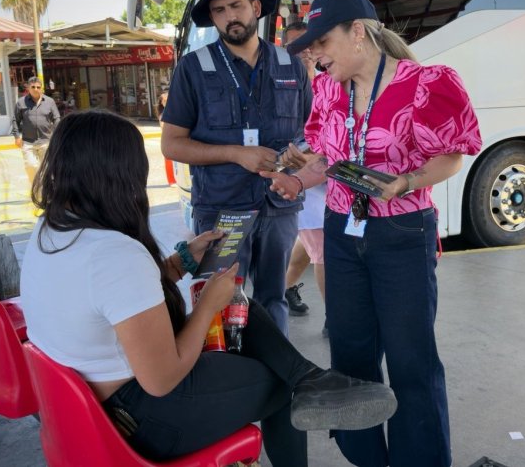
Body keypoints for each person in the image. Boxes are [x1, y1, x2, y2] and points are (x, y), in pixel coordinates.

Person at [20, 111, 397, 466]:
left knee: (242, 309)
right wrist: (206, 308)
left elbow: (109, 298)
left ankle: (311, 379)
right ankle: (302, 384)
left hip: (89, 407)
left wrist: (180, 262)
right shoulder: (115, 254)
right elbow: (162, 379)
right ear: (119, 175)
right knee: (278, 385)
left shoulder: (52, 229)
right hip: (139, 419)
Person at [264, 0, 482, 467]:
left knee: (411, 359)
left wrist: (407, 182)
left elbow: (451, 157)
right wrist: (297, 178)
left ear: (358, 32)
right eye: (310, 49)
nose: (315, 56)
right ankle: (366, 458)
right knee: (351, 355)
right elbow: (329, 159)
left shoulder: (425, 84)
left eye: (322, 43)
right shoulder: (328, 89)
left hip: (402, 233)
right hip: (343, 230)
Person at [161, 0, 311, 336]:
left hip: (279, 207)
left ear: (256, 8)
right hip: (221, 209)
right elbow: (171, 143)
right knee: (220, 300)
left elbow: (312, 135)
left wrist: (300, 159)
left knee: (274, 298)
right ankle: (230, 368)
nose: (230, 16)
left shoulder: (291, 65)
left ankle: (274, 366)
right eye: (219, 10)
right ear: (212, 18)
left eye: (236, 6)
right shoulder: (193, 68)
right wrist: (235, 153)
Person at [281, 21, 322, 319]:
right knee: (322, 249)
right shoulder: (279, 89)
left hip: (330, 175)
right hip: (302, 178)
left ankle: (283, 287)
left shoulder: (331, 80)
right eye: (296, 47)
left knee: (308, 246)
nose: (304, 53)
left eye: (309, 45)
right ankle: (336, 320)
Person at [11, 76, 60, 186]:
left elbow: (56, 118)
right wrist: (17, 136)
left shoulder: (50, 102)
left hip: (46, 141)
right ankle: (36, 187)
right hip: (28, 142)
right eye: (33, 87)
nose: (36, 89)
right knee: (31, 166)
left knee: (47, 168)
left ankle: (46, 190)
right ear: (28, 88)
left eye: (38, 87)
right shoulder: (21, 103)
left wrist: (57, 134)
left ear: (41, 88)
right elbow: (15, 120)